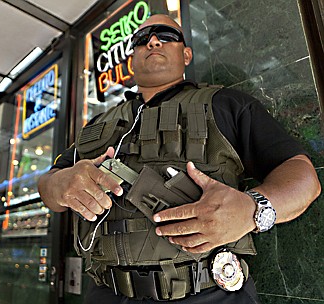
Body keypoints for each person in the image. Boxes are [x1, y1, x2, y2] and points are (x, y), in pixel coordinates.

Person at [38, 14, 321, 303]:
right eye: (141, 39)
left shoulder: (225, 104)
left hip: (209, 293)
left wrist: (252, 209)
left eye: (166, 35)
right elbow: (48, 185)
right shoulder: (97, 126)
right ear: (131, 59)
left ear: (186, 54)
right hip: (106, 292)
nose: (153, 41)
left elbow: (303, 177)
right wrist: (60, 184)